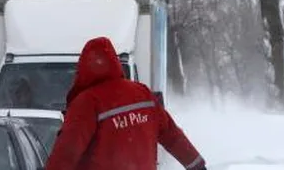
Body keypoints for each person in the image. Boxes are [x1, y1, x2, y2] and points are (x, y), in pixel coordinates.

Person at [45, 37, 207, 170]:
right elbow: (171, 135)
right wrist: (196, 164)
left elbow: (67, 153)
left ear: (83, 68)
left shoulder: (87, 102)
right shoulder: (142, 93)